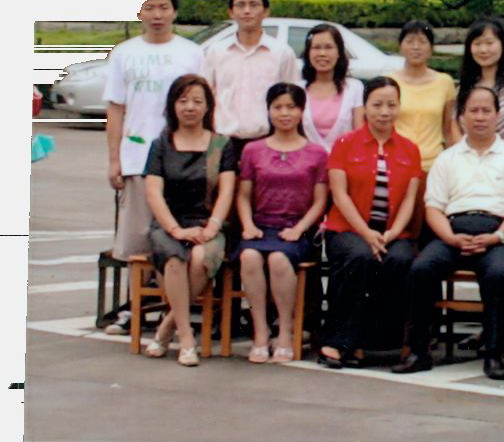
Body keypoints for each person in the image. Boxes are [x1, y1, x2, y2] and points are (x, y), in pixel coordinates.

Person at [395, 82, 504, 377]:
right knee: (421, 269)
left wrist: (497, 236)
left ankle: (494, 354)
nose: (480, 117)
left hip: (495, 233)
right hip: (452, 232)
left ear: (497, 115)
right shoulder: (448, 157)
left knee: (499, 273)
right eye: (473, 111)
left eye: (486, 111)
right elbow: (434, 207)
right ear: (461, 116)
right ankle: (418, 352)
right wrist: (449, 237)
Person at [319, 77, 423, 369]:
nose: (384, 112)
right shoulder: (345, 144)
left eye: (391, 105)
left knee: (400, 260)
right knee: (359, 256)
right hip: (348, 229)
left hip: (392, 232)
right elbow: (339, 195)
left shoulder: (409, 149)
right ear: (365, 107)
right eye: (377, 105)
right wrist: (366, 233)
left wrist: (391, 234)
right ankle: (337, 342)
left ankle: (375, 342)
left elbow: (409, 200)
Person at [103, 0, 204, 284]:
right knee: (139, 240)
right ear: (138, 13)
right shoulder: (124, 53)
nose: (157, 15)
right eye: (149, 7)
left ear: (175, 11)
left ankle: (171, 301)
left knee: (176, 239)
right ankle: (137, 304)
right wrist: (114, 160)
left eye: (163, 7)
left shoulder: (192, 53)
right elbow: (116, 109)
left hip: (182, 158)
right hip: (136, 157)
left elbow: (204, 104)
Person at [141, 74, 238, 367]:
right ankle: (186, 339)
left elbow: (227, 191)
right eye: (183, 101)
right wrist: (175, 230)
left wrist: (213, 226)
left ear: (208, 106)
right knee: (174, 257)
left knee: (198, 259)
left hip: (208, 223)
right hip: (169, 223)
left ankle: (165, 329)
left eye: (197, 101)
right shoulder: (161, 144)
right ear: (173, 105)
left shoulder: (222, 144)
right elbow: (153, 193)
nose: (190, 107)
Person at [235, 83, 329, 363]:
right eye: (278, 107)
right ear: (268, 111)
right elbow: (243, 195)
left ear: (301, 111)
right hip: (261, 225)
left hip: (298, 229)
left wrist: (300, 229)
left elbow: (320, 201)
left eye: (291, 107)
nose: (284, 113)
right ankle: (261, 331)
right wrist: (248, 225)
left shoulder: (317, 153)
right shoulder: (253, 150)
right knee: (249, 257)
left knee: (278, 259)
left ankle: (286, 331)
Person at [202, 0, 300, 151]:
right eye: (240, 5)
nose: (247, 11)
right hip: (221, 140)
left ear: (266, 11)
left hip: (268, 140)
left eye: (254, 5)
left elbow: (293, 99)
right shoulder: (216, 52)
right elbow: (205, 94)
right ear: (231, 12)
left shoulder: (282, 53)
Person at [393, 20, 459, 172]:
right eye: (410, 41)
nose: (416, 47)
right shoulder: (390, 82)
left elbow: (448, 129)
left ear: (431, 49)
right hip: (396, 164)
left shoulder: (444, 82)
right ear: (400, 47)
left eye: (422, 42)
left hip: (434, 165)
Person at [458, 16, 504, 147]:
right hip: (466, 157)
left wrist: (494, 157)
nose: (483, 50)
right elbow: (455, 128)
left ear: (502, 45)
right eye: (477, 44)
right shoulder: (464, 87)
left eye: (489, 43)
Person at [298, 23, 364, 150]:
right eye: (316, 47)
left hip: (344, 160)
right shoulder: (298, 90)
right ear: (308, 53)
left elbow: (359, 133)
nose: (322, 53)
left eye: (329, 47)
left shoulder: (354, 88)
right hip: (307, 160)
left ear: (339, 52)